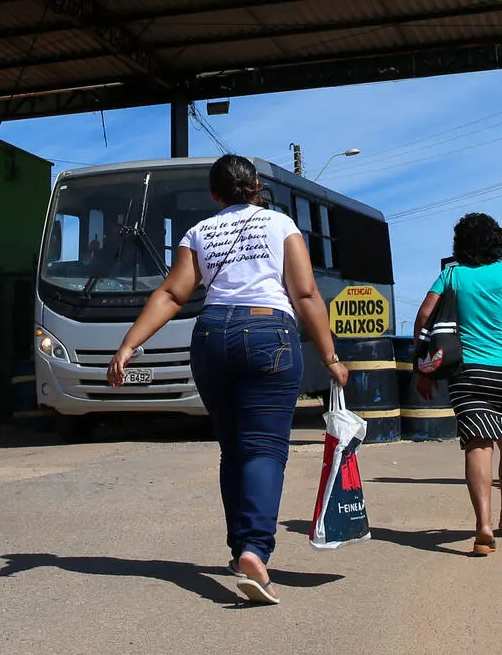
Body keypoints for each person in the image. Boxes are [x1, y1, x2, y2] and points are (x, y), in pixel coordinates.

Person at [108, 154, 349, 605]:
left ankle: (241, 551)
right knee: (264, 448)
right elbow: (304, 292)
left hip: (211, 336)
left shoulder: (199, 232)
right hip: (268, 333)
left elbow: (172, 293)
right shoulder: (280, 225)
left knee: (233, 449)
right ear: (256, 185)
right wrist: (330, 356)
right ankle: (255, 549)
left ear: (214, 194)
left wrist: (128, 345)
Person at [413, 212, 502, 556]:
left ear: (460, 244)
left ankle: (483, 524)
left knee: (478, 445)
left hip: (468, 372)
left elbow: (424, 317)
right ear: (498, 242)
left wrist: (424, 368)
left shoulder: (450, 276)